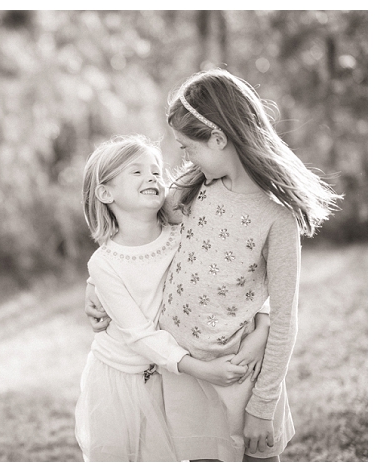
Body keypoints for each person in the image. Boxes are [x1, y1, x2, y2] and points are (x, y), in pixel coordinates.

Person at [86, 69, 341, 462]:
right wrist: (94, 285)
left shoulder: (276, 218)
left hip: (239, 373)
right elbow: (134, 235)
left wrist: (262, 405)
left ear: (219, 139)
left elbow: (286, 318)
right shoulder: (194, 189)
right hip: (187, 376)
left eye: (188, 147)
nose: (183, 157)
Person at [75, 135, 271, 462]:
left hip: (173, 373)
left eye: (156, 171)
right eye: (136, 172)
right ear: (106, 192)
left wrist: (262, 323)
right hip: (124, 377)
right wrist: (203, 370)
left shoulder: (183, 235)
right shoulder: (104, 263)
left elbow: (229, 280)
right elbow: (139, 335)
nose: (152, 177)